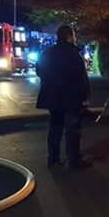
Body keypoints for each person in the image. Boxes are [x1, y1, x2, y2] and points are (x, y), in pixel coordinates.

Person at [36, 25, 92, 170]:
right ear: (69, 36)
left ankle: (53, 159)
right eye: (73, 35)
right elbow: (81, 79)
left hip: (53, 98)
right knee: (72, 129)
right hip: (71, 98)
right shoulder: (74, 55)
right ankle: (73, 160)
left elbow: (39, 71)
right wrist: (85, 97)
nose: (75, 38)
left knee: (55, 128)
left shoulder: (47, 53)